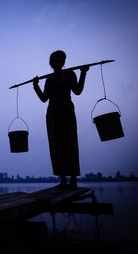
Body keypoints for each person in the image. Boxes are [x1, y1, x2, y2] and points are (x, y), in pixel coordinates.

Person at [33, 50, 89, 189]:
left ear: (63, 62)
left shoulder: (70, 74)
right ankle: (63, 179)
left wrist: (83, 73)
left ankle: (73, 179)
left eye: (60, 60)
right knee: (56, 145)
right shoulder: (49, 78)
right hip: (52, 114)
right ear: (51, 63)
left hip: (66, 112)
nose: (57, 62)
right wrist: (36, 86)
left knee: (70, 143)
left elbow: (78, 91)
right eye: (54, 60)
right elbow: (44, 98)